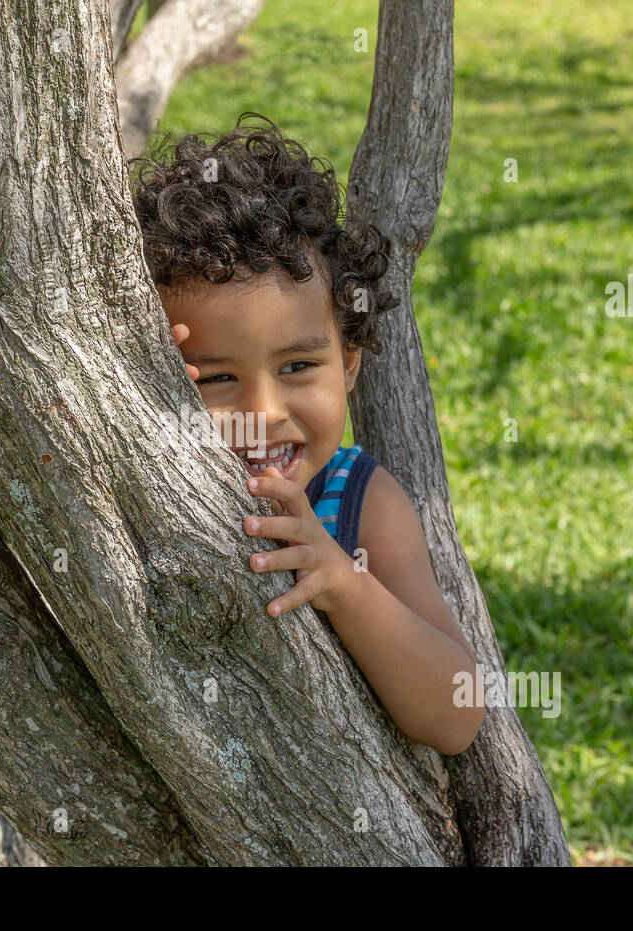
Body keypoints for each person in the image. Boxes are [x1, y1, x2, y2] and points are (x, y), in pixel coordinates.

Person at [131, 113, 484, 754]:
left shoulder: (358, 501)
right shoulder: (131, 479)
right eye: (212, 379)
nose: (263, 410)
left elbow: (456, 718)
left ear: (348, 363)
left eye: (297, 366)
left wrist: (346, 584)